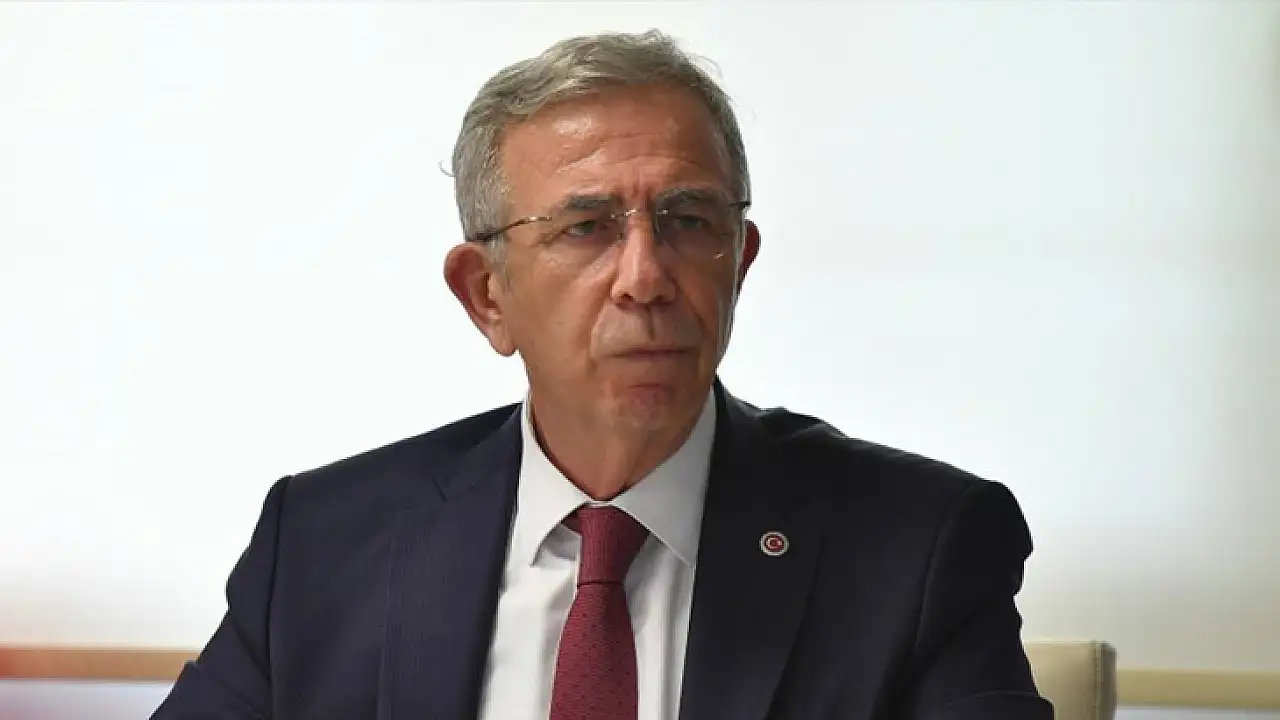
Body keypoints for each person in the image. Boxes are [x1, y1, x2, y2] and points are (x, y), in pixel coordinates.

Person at [152, 29, 1052, 720]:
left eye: (688, 221)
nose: (646, 277)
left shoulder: (916, 549)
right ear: (487, 295)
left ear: (739, 264)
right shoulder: (324, 544)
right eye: (585, 228)